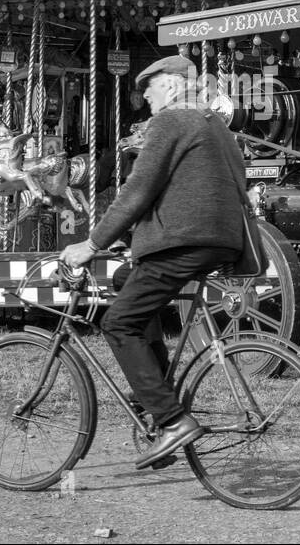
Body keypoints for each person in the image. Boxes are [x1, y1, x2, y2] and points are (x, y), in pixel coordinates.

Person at [59, 55, 247, 469]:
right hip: (219, 241)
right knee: (127, 279)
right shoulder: (218, 126)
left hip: (182, 243)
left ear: (176, 86)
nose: (143, 94)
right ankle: (155, 391)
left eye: (151, 85)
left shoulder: (170, 121)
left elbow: (138, 190)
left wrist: (91, 244)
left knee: (117, 322)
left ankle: (172, 418)